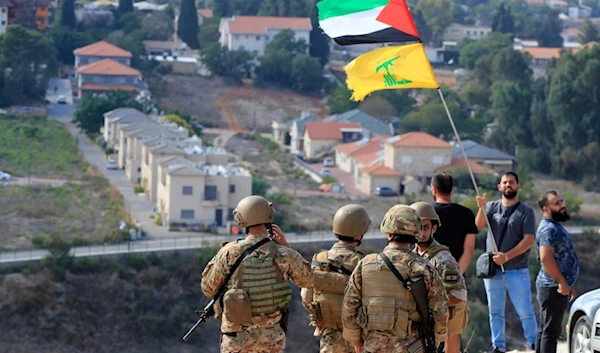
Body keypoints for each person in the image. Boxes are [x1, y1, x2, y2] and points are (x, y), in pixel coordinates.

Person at [201, 195, 313, 353]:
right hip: (271, 340)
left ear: (241, 220)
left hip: (237, 339)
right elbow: (307, 280)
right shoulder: (283, 253)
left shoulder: (229, 253)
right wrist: (286, 246)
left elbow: (208, 289)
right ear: (269, 217)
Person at [342, 204, 449, 353]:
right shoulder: (424, 268)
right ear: (415, 233)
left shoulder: (365, 265)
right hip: (411, 348)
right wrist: (436, 341)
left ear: (388, 233)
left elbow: (349, 307)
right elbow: (440, 310)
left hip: (372, 347)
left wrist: (356, 341)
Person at [475, 172, 537, 353]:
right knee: (495, 312)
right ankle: (498, 346)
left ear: (518, 186)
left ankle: (534, 343)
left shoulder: (526, 212)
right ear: (499, 187)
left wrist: (507, 256)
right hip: (493, 271)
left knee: (525, 311)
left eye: (511, 182)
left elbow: (528, 241)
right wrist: (481, 208)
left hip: (517, 270)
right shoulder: (492, 207)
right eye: (505, 182)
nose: (508, 185)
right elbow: (477, 226)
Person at [301, 204, 371, 353]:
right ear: (359, 234)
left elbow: (306, 298)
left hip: (329, 338)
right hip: (357, 340)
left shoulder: (319, 260)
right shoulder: (362, 263)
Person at [410, 202, 468, 353]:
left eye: (426, 227)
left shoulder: (443, 259)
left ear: (434, 228)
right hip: (422, 315)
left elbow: (459, 296)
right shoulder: (411, 256)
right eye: (418, 227)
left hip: (446, 312)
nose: (421, 232)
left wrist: (432, 304)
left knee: (451, 334)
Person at [535, 190, 579, 353]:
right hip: (552, 287)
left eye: (562, 201)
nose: (563, 205)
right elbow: (546, 258)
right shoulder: (548, 229)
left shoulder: (554, 227)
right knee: (550, 332)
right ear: (546, 208)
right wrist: (562, 281)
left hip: (556, 285)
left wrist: (568, 282)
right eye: (557, 203)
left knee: (545, 329)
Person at [430, 172, 478, 274]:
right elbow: (469, 251)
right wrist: (456, 276)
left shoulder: (426, 213)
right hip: (456, 275)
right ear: (452, 189)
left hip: (428, 275)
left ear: (433, 189)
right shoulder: (467, 214)